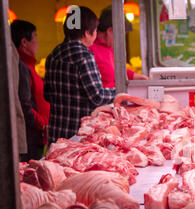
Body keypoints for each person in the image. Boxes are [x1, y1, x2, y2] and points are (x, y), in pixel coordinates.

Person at [44, 6, 116, 144]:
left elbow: (47, 94)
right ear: (87, 33)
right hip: (77, 135)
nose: (95, 35)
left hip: (56, 133)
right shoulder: (84, 56)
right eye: (95, 30)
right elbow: (98, 97)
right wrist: (121, 92)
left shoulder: (53, 54)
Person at [11, 20, 50, 161]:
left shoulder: (28, 66)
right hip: (30, 137)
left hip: (36, 136)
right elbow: (23, 104)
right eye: (35, 37)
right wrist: (42, 124)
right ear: (24, 42)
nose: (38, 42)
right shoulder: (22, 67)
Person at [89, 6, 148, 88]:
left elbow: (116, 69)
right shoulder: (90, 49)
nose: (121, 40)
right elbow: (95, 87)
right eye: (121, 35)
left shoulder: (108, 48)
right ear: (110, 31)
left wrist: (134, 76)